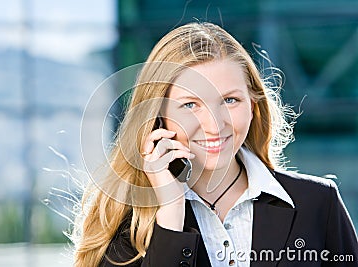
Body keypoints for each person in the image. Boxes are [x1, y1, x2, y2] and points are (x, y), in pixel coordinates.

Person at [73, 22, 358, 266]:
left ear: (253, 106)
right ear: (158, 117)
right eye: (189, 105)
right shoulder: (124, 225)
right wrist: (171, 213)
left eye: (230, 100)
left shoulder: (318, 203)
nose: (213, 124)